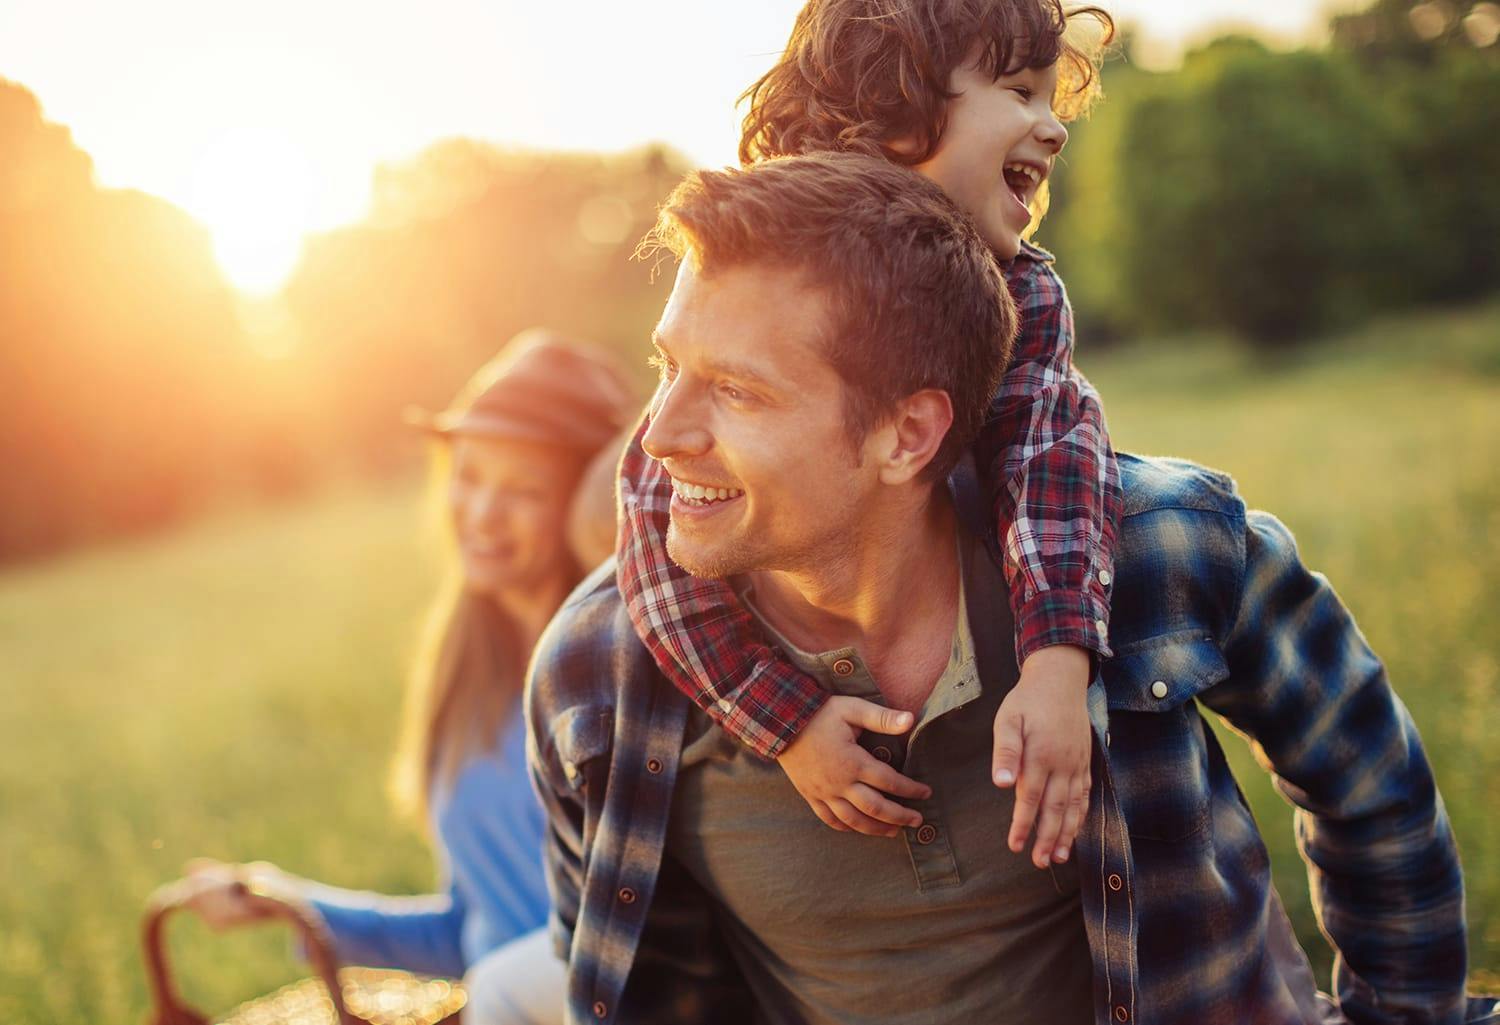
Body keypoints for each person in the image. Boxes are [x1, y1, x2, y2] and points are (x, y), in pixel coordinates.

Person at [527, 154, 1498, 1025]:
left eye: (737, 391)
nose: (657, 436)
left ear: (907, 433)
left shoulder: (1158, 544)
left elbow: (1373, 784)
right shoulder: (597, 672)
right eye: (668, 367)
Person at [616, 0, 1116, 868]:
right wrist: (788, 719)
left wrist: (1055, 662)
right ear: (895, 109)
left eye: (1049, 99)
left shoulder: (1024, 294)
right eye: (1019, 92)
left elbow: (1052, 457)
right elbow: (659, 531)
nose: (1051, 128)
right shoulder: (760, 278)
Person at [180, 331, 637, 1025]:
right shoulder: (465, 682)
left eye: (523, 490)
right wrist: (290, 901)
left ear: (580, 504)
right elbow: (470, 932)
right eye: (470, 475)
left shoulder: (614, 675)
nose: (482, 511)